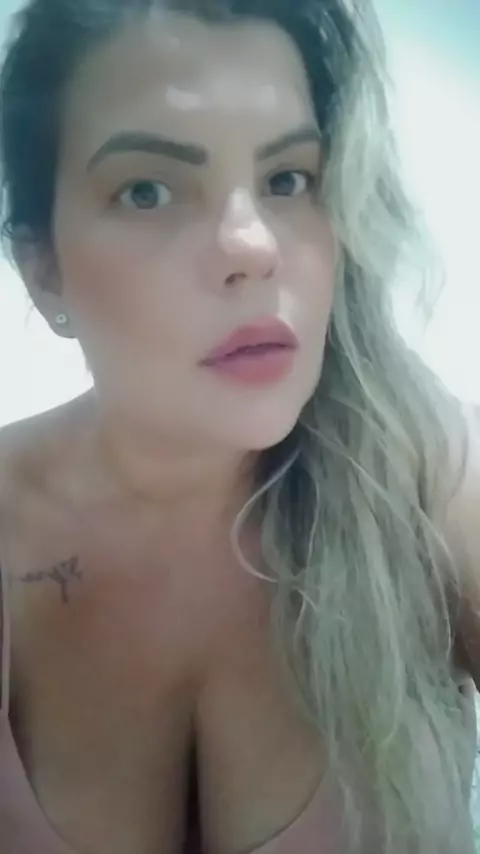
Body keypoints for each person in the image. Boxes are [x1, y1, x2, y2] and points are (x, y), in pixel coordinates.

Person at [0, 0, 479, 851]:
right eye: (147, 191)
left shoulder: (424, 476)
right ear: (44, 269)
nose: (252, 245)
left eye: (288, 179)